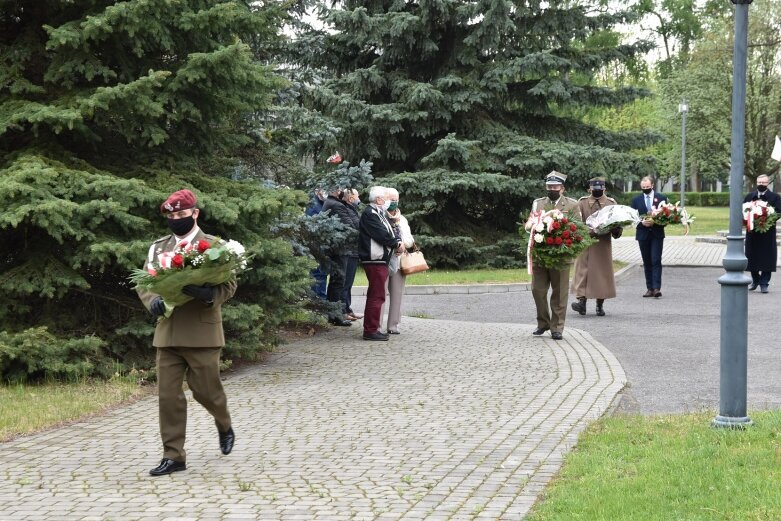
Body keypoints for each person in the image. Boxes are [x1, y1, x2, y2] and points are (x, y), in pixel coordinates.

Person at [137, 189, 236, 477]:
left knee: (207, 392)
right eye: (171, 215)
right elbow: (145, 281)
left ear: (195, 214)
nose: (176, 219)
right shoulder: (158, 247)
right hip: (167, 333)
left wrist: (208, 295)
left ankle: (224, 423)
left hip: (202, 332)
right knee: (168, 397)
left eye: (181, 214)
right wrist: (152, 301)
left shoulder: (213, 245)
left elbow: (229, 285)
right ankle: (174, 455)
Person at [525, 171, 580, 340]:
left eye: (555, 187)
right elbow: (529, 224)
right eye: (549, 187)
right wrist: (531, 225)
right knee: (537, 290)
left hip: (561, 255)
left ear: (562, 188)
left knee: (560, 292)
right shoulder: (538, 203)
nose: (552, 189)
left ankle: (557, 328)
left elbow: (578, 227)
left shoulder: (572, 205)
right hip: (541, 254)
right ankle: (543, 323)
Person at [570, 177, 622, 317]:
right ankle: (581, 303)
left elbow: (617, 225)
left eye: (600, 188)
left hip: (602, 245)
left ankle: (600, 304)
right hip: (586, 242)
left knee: (601, 274)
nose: (597, 190)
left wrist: (616, 228)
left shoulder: (611, 203)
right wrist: (587, 231)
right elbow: (576, 223)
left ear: (605, 189)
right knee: (582, 272)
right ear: (589, 189)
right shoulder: (582, 203)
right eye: (594, 188)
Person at [358, 186, 403, 341]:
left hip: (380, 259)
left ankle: (372, 328)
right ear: (378, 199)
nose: (388, 201)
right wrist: (397, 244)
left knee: (377, 295)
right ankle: (370, 330)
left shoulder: (378, 213)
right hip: (374, 260)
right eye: (385, 197)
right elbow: (381, 235)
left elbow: (387, 232)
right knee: (376, 295)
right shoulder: (370, 214)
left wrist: (396, 242)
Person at [383, 188, 415, 335]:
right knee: (380, 294)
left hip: (399, 260)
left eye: (396, 199)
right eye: (391, 199)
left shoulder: (403, 219)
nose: (394, 202)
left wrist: (400, 243)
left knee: (397, 294)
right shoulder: (380, 216)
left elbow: (410, 240)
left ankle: (393, 326)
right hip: (383, 260)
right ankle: (375, 326)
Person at [322, 188, 355, 326]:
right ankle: (335, 315)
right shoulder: (337, 205)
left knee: (336, 281)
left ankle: (333, 314)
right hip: (340, 248)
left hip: (337, 248)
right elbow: (351, 226)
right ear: (335, 191)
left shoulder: (331, 203)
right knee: (338, 282)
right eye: (341, 189)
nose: (343, 192)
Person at [630, 176, 668, 297]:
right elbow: (632, 218)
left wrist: (655, 221)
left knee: (656, 260)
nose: (645, 189)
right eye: (643, 187)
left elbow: (667, 218)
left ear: (652, 185)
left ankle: (657, 288)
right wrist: (642, 222)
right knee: (647, 261)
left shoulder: (661, 198)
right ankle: (649, 288)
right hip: (643, 234)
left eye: (647, 187)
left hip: (657, 234)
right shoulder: (636, 200)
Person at [743, 175, 781, 293]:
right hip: (753, 233)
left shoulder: (775, 197)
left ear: (768, 183)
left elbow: (779, 212)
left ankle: (764, 283)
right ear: (756, 182)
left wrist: (766, 221)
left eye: (764, 182)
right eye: (759, 182)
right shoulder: (749, 196)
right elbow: (743, 211)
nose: (761, 184)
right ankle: (755, 280)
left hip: (767, 233)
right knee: (751, 257)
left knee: (767, 258)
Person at [341, 189, 363, 320]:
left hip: (354, 251)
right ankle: (343, 310)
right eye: (357, 196)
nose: (358, 199)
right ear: (350, 199)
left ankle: (348, 309)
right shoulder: (346, 210)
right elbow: (356, 226)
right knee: (345, 282)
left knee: (349, 283)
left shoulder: (352, 210)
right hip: (348, 251)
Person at [305, 189, 327, 300]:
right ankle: (317, 302)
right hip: (316, 246)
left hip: (322, 246)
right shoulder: (314, 206)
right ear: (317, 191)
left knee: (321, 275)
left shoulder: (322, 204)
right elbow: (311, 228)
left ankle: (321, 301)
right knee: (317, 275)